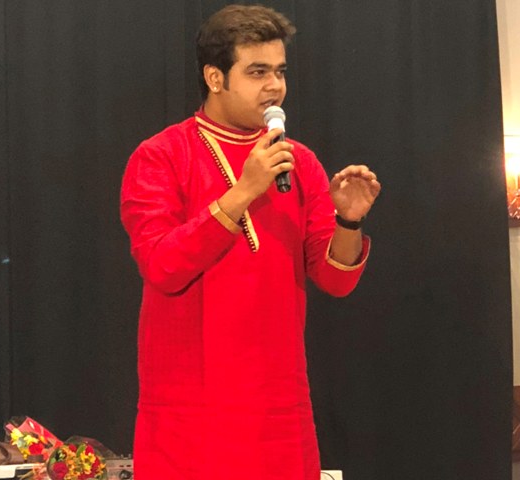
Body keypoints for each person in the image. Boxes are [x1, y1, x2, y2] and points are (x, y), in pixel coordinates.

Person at [120, 4, 381, 480]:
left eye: (280, 71)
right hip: (191, 411)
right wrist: (244, 191)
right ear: (215, 78)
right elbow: (162, 266)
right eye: (258, 72)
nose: (275, 86)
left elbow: (335, 280)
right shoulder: (160, 156)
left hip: (277, 408)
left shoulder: (299, 162)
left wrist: (348, 220)